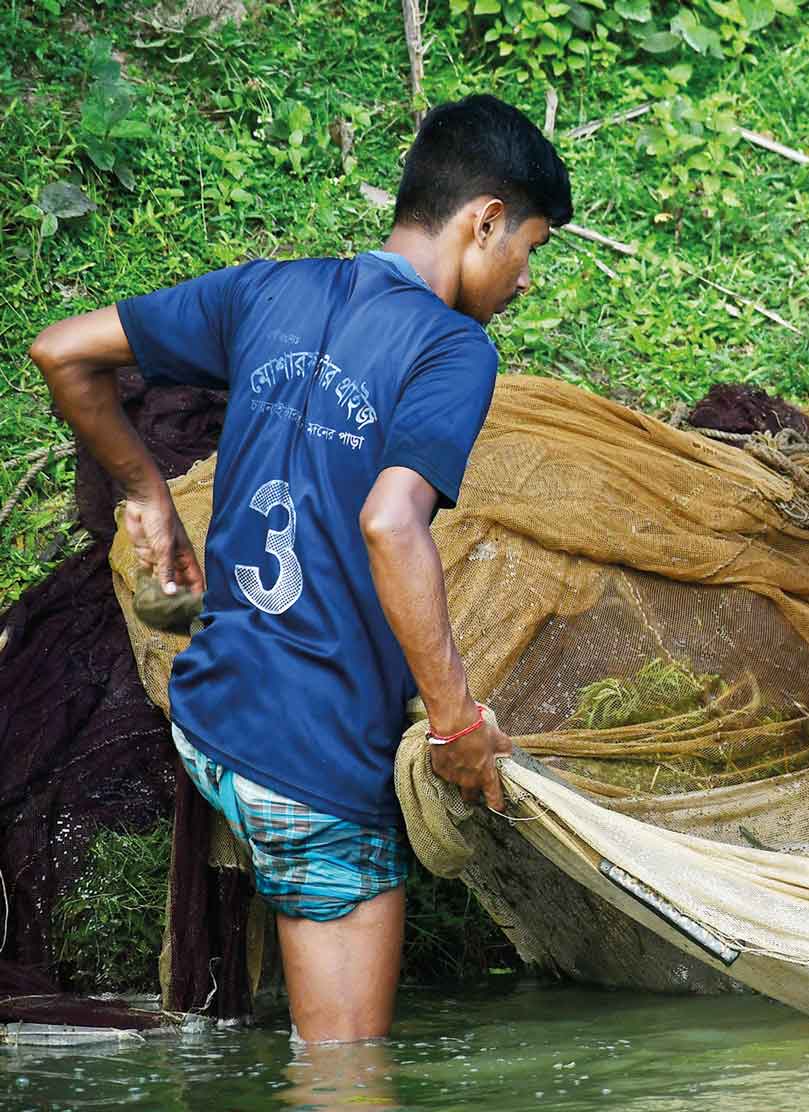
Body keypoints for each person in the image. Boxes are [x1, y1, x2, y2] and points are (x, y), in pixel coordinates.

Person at [28, 95, 569, 1040]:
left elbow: (63, 350)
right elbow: (392, 526)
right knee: (345, 1082)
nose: (526, 278)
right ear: (485, 219)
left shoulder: (267, 290)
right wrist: (455, 727)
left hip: (211, 715)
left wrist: (145, 492)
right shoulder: (451, 349)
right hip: (311, 763)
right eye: (532, 247)